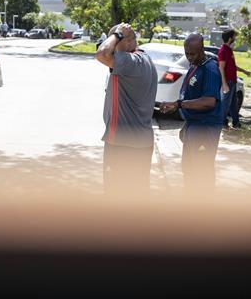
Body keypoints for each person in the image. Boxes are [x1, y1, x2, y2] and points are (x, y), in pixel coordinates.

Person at [95, 22, 157, 197]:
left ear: (128, 41)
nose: (112, 47)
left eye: (115, 42)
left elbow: (102, 54)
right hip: (136, 143)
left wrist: (117, 35)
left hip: (124, 145)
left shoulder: (133, 63)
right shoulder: (142, 60)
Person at [160, 33, 224, 196]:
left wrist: (179, 105)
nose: (189, 57)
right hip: (194, 125)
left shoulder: (210, 69)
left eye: (192, 53)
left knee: (201, 171)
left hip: (205, 128)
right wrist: (186, 125)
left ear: (201, 49)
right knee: (188, 169)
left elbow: (209, 101)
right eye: (186, 53)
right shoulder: (194, 65)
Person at [217, 29, 251, 129]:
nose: (235, 39)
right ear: (229, 38)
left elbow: (232, 66)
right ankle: (223, 123)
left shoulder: (229, 50)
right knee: (225, 104)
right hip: (228, 81)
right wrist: (224, 84)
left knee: (233, 104)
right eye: (234, 37)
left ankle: (236, 123)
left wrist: (244, 71)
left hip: (233, 81)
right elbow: (221, 67)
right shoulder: (223, 50)